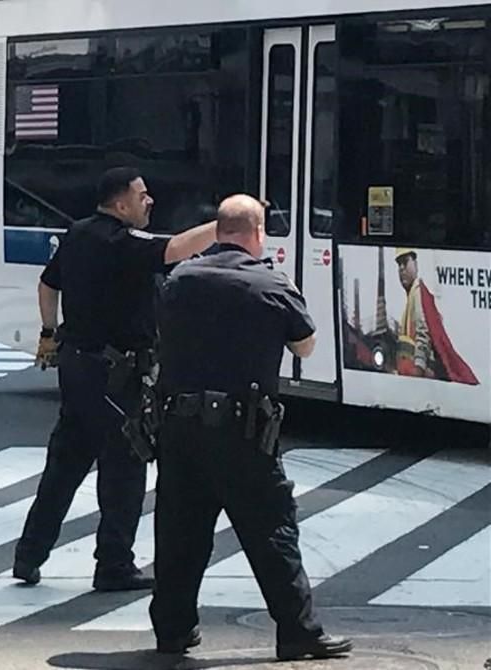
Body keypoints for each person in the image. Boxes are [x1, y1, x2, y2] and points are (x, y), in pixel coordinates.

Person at [151, 194, 352, 661]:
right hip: (242, 431)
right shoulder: (269, 283)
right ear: (258, 234)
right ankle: (298, 631)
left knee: (179, 533)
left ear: (218, 230)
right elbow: (305, 348)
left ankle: (173, 632)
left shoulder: (179, 279)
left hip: (178, 429)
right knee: (272, 531)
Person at [13, 166, 219, 590]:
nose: (150, 201)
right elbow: (177, 248)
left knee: (65, 465)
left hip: (77, 366)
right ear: (120, 203)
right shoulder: (121, 241)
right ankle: (114, 564)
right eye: (142, 195)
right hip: (114, 373)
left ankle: (29, 554)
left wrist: (49, 332)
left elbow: (47, 284)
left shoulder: (78, 234)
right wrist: (228, 223)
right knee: (124, 468)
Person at [393, 248, 478, 383]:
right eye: (399, 265)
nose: (401, 269)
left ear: (415, 264)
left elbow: (423, 332)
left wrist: (419, 368)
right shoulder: (410, 297)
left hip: (420, 373)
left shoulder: (418, 292)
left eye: (405, 262)